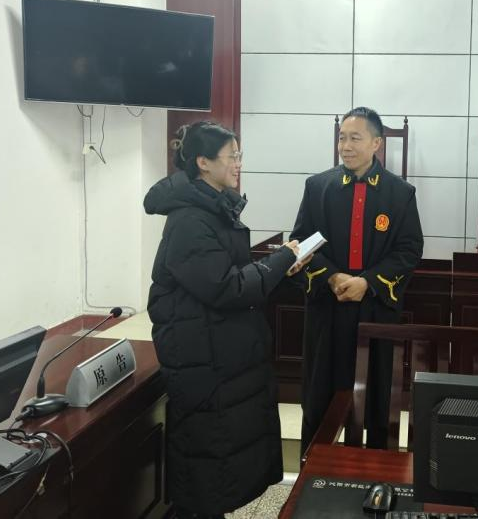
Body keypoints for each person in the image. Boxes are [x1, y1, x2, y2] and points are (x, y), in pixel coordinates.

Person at [145, 120, 302, 519]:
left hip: (218, 353)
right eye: (232, 156)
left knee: (219, 465)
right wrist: (280, 259)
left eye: (239, 155)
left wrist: (281, 268)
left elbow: (230, 276)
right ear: (203, 162)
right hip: (203, 361)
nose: (238, 164)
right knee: (205, 469)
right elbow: (226, 288)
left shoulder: (213, 208)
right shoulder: (189, 221)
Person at [290, 107, 424, 455]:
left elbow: (409, 249)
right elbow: (302, 242)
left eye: (355, 138)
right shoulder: (317, 187)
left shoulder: (400, 193)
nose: (345, 146)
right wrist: (332, 276)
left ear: (377, 143)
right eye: (341, 138)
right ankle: (313, 470)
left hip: (375, 308)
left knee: (377, 399)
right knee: (319, 398)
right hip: (328, 305)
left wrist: (368, 282)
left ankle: (376, 473)